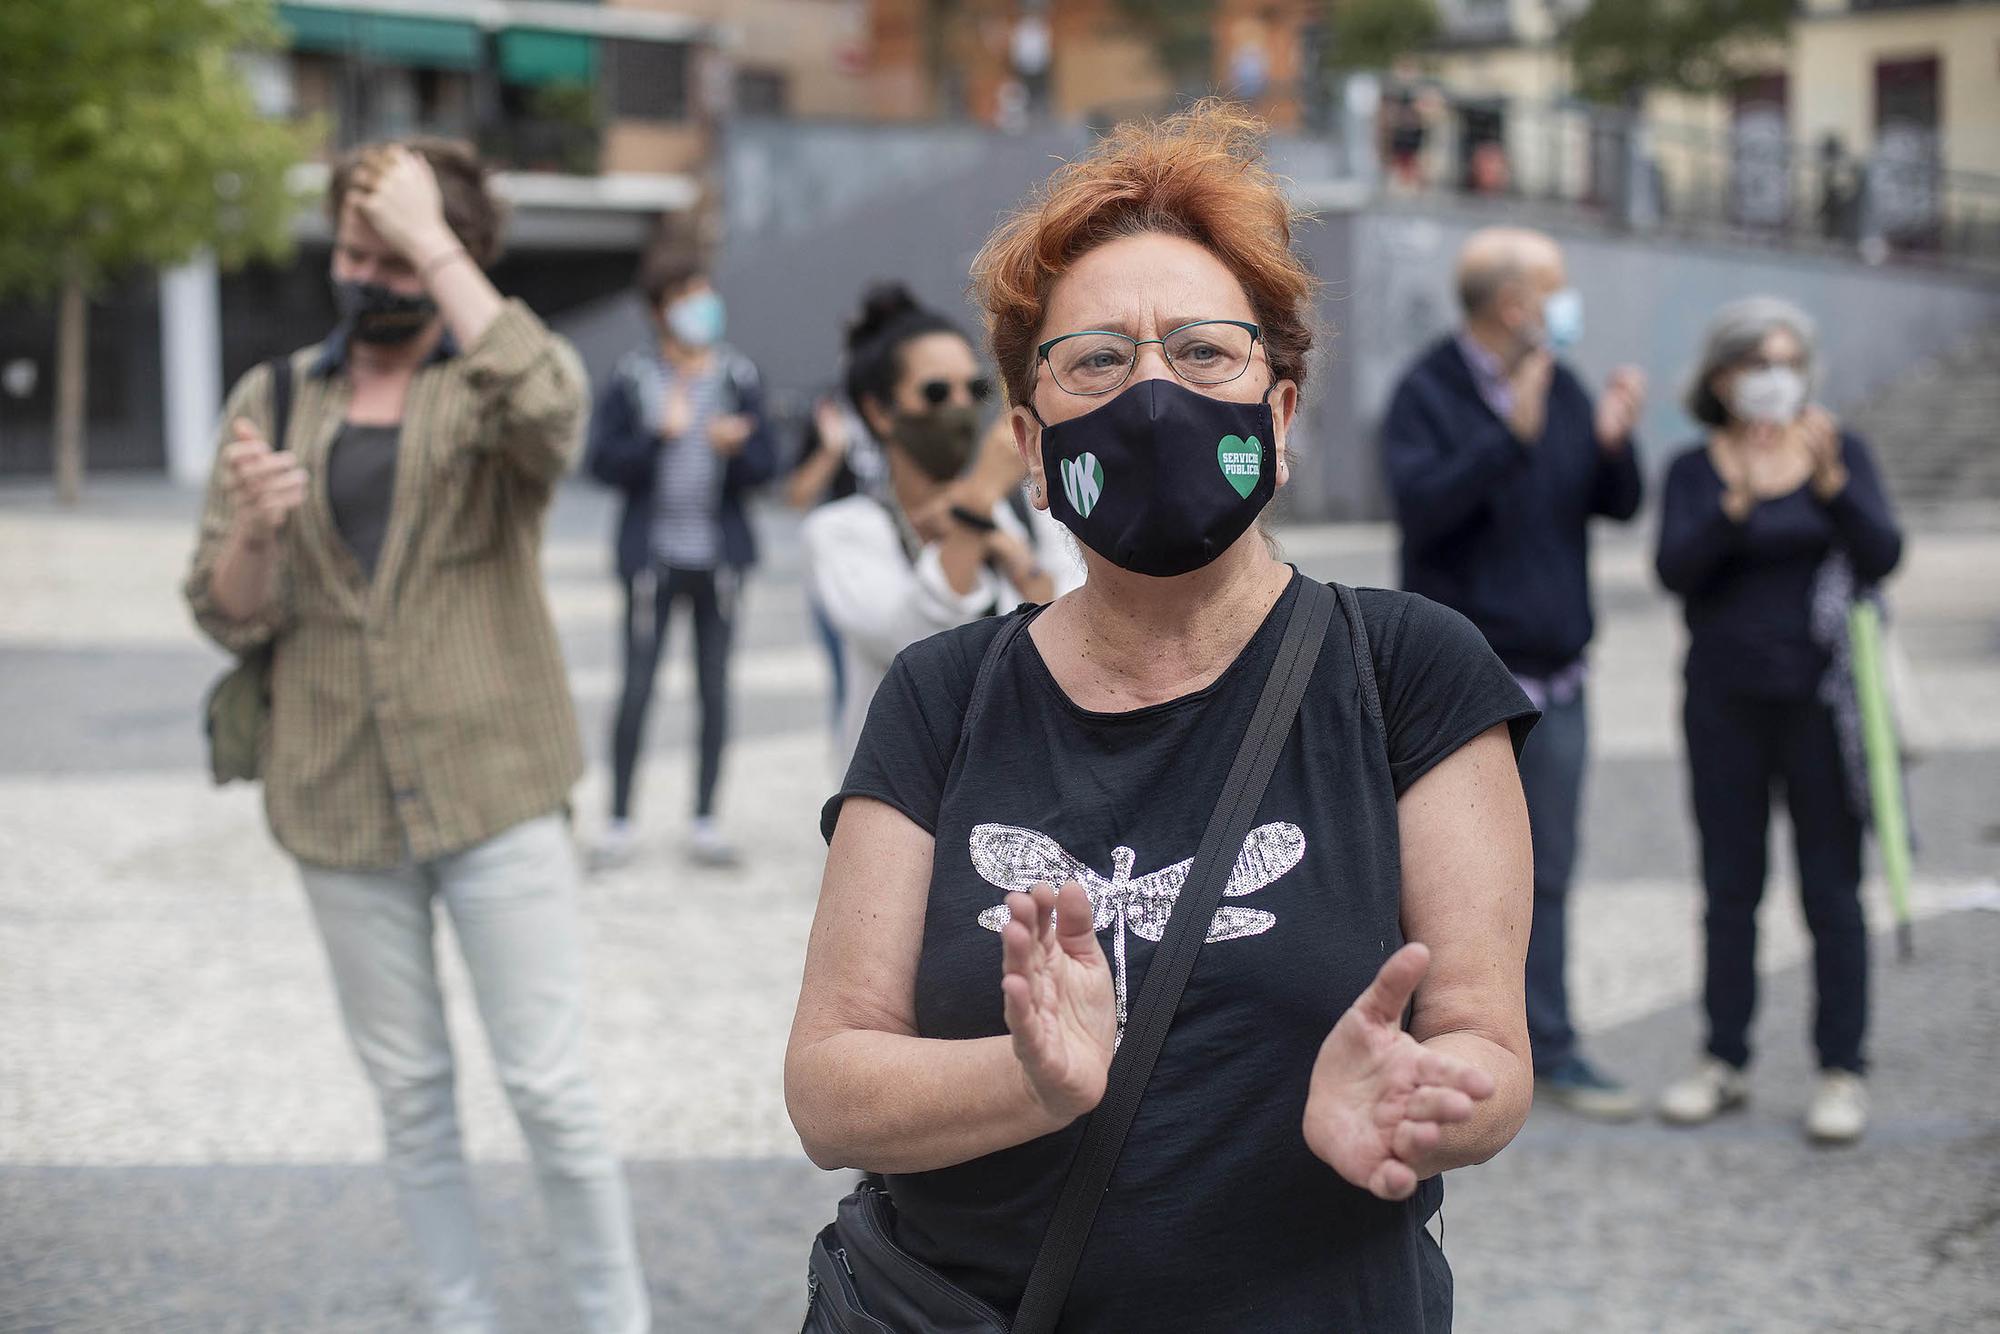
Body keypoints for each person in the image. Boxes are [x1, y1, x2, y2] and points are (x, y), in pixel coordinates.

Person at [786, 102, 1539, 1329]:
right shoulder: (941, 695)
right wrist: (1029, 1078)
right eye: (1095, 359)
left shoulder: (1407, 670)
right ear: (1031, 450)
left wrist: (1426, 1094)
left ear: (1279, 418)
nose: (1151, 393)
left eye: (1203, 351)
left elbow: (1486, 1047)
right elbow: (827, 1088)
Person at [182, 139, 648, 1334]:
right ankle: (458, 1313)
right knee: (410, 1090)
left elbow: (556, 405)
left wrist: (431, 237)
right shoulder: (276, 394)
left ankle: (614, 1316)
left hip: (493, 781)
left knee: (549, 1087)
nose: (367, 273)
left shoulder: (489, 385)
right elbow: (221, 607)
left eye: (396, 252)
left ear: (457, 255)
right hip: (335, 796)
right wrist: (257, 534)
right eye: (353, 248)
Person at [1380, 226, 1647, 1121]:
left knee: (1553, 871)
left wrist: (1613, 443)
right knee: (1441, 882)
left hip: (1560, 679)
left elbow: (1613, 504)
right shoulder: (1429, 392)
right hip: (1463, 695)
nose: (1567, 307)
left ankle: (1552, 1046)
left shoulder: (1562, 384)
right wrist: (1507, 436)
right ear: (1512, 305)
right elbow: (1423, 513)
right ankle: (1434, 1054)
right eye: (1555, 289)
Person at [1654, 297, 1903, 1145]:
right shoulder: (1697, 467)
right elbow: (1674, 571)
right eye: (1756, 363)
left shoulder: (1837, 450)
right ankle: (1724, 1057)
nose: (1773, 379)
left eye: (1788, 361)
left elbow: (1884, 554)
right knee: (1731, 889)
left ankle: (1842, 1068)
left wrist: (1833, 490)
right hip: (1723, 702)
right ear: (1722, 378)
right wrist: (1732, 505)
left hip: (1822, 707)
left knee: (1832, 890)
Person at [801, 283, 1079, 768]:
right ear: (879, 411)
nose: (959, 407)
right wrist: (976, 510)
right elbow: (912, 641)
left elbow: (1075, 632)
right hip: (906, 805)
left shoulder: (1030, 516)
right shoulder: (841, 531)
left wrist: (1004, 543)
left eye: (973, 391)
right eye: (935, 392)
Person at [585, 252, 775, 868]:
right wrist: (656, 436)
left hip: (717, 562)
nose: (702, 307)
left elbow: (768, 464)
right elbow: (601, 462)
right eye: (688, 296)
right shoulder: (635, 376)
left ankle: (704, 820)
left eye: (705, 294)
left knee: (714, 689)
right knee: (637, 687)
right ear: (660, 310)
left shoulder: (738, 376)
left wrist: (736, 450)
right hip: (651, 560)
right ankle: (617, 818)